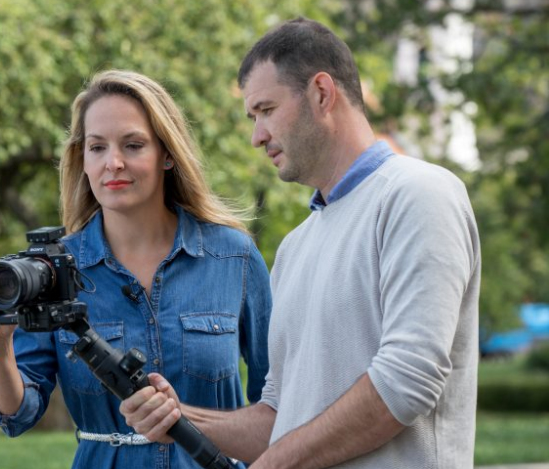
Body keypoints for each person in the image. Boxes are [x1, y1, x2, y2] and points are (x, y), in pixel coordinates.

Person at [120, 17, 481, 469]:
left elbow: (406, 381)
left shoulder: (418, 195)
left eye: (266, 110)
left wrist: (274, 464)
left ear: (322, 93)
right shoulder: (295, 246)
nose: (256, 137)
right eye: (253, 118)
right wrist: (178, 417)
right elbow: (281, 417)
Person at [0, 70, 272, 469]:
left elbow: (278, 403)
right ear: (83, 160)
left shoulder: (234, 256)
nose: (114, 163)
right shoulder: (48, 272)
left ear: (167, 153)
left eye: (133, 144)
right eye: (97, 147)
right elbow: (16, 415)